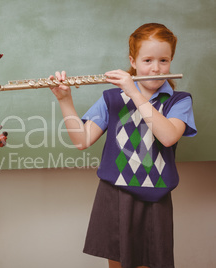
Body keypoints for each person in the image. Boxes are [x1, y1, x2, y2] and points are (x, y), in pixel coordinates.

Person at [49, 23, 196, 268]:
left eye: (164, 60)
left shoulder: (180, 101)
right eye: (147, 60)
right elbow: (81, 141)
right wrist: (65, 100)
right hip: (114, 194)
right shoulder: (111, 98)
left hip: (154, 197)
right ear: (133, 61)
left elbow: (168, 136)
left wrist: (134, 93)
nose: (156, 68)